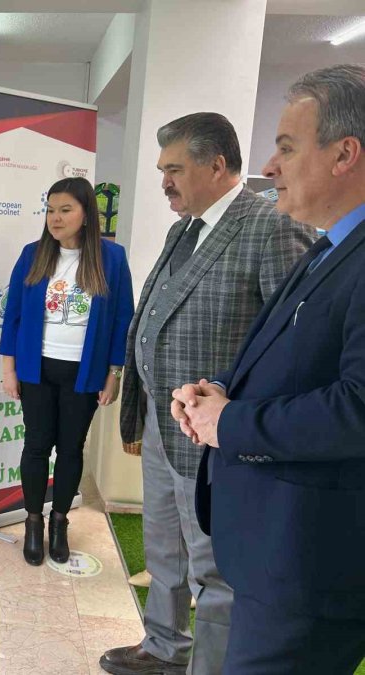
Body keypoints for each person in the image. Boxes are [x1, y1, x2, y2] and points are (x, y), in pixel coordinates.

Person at [100, 113, 314, 675]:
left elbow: (295, 347)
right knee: (163, 547)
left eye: (175, 169)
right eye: (162, 170)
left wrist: (235, 409)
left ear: (217, 165)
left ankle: (210, 668)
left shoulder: (269, 226)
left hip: (217, 437)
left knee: (215, 570)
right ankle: (163, 646)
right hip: (162, 425)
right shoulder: (184, 229)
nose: (165, 182)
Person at [172, 64, 365, 674]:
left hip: (309, 566)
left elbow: (357, 409)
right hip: (272, 554)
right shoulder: (328, 247)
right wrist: (221, 392)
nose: (270, 166)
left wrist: (231, 424)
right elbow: (297, 357)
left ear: (345, 154)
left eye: (286, 147)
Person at [0, 177, 134, 566]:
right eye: (50, 210)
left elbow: (123, 317)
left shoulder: (112, 259)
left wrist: (114, 373)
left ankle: (60, 523)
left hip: (84, 372)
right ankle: (33, 521)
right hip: (36, 368)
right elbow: (14, 316)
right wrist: (10, 369)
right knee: (37, 446)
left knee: (71, 448)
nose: (55, 219)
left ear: (86, 214)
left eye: (65, 210)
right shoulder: (33, 254)